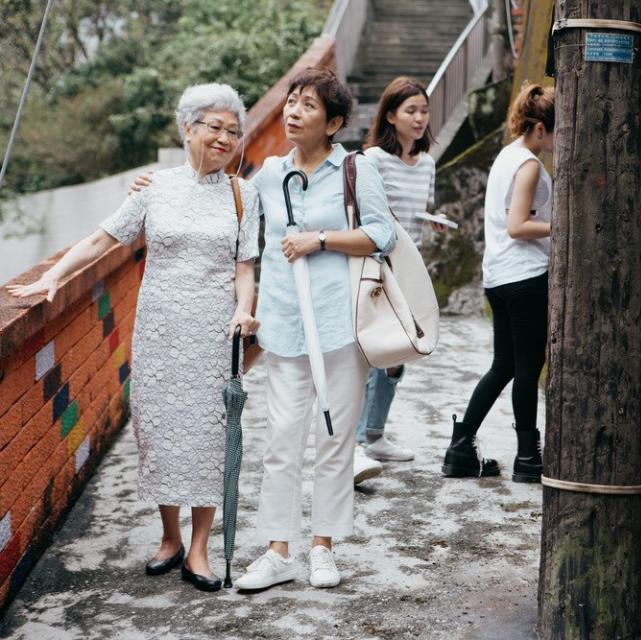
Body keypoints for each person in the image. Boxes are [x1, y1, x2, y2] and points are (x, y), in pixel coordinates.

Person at [9, 84, 260, 592]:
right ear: (187, 128)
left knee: (211, 435)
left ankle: (199, 548)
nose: (225, 138)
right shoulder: (155, 188)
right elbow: (106, 237)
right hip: (160, 328)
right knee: (161, 431)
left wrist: (244, 308)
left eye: (233, 131)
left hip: (215, 331)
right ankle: (170, 536)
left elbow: (245, 265)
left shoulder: (243, 194)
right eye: (214, 126)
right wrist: (56, 276)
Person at [232, 67, 396, 590]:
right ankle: (278, 551)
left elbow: (382, 234)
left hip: (340, 324)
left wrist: (320, 239)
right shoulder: (272, 172)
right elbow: (227, 204)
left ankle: (323, 545)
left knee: (334, 438)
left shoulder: (353, 168)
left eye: (307, 105)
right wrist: (161, 183)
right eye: (291, 102)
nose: (293, 112)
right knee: (281, 440)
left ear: (335, 122)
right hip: (283, 324)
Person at [442, 84, 554, 483]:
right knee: (527, 369)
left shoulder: (507, 156)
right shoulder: (529, 164)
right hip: (524, 277)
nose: (559, 141)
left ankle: (460, 447)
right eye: (556, 132)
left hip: (499, 277)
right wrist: (563, 225)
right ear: (540, 128)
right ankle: (527, 458)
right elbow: (518, 225)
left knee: (505, 365)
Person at [353, 76, 445, 471]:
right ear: (390, 115)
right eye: (411, 111)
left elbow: (418, 212)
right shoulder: (372, 160)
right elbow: (365, 213)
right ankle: (360, 440)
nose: (420, 118)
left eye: (424, 110)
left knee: (400, 351)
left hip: (410, 268)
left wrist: (434, 221)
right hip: (376, 266)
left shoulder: (426, 163)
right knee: (376, 349)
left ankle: (374, 435)